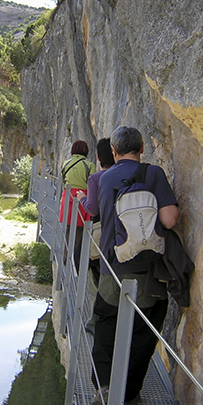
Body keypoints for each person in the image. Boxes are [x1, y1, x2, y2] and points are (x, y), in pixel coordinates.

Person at [92, 126, 179, 405]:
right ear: (142, 148)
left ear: (114, 152)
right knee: (145, 329)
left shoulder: (104, 179)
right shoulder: (154, 174)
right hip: (148, 271)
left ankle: (104, 385)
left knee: (105, 323)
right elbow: (169, 220)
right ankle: (128, 392)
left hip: (112, 267)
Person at [76, 138, 114, 333]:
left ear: (98, 158)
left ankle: (94, 322)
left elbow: (92, 209)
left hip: (100, 235)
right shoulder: (126, 176)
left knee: (94, 280)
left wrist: (82, 198)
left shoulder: (97, 178)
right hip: (123, 236)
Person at [59, 140, 96, 252]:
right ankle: (76, 259)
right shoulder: (89, 166)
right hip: (82, 197)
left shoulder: (66, 164)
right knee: (80, 229)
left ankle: (65, 256)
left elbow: (63, 180)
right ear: (86, 151)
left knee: (68, 228)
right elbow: (93, 185)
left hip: (67, 196)